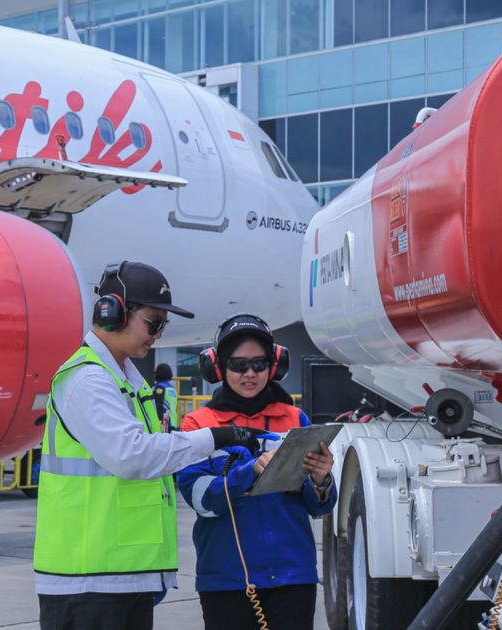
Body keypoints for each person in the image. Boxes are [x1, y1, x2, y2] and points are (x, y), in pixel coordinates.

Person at [33, 261, 274, 630]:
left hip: (119, 576)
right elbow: (133, 457)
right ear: (112, 312)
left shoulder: (128, 382)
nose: (158, 334)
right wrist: (216, 437)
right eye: (154, 322)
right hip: (88, 580)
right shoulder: (88, 381)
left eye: (163, 325)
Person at [176, 314, 337, 630]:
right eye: (238, 365)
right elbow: (199, 500)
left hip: (294, 575)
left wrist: (321, 480)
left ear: (273, 366)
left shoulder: (295, 419)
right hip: (226, 579)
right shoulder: (198, 425)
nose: (250, 373)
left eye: (259, 364)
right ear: (219, 367)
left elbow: (319, 506)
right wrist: (249, 472)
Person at [152, 363, 178, 432]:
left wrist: (159, 423)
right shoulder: (172, 389)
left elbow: (158, 406)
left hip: (164, 424)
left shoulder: (160, 388)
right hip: (173, 423)